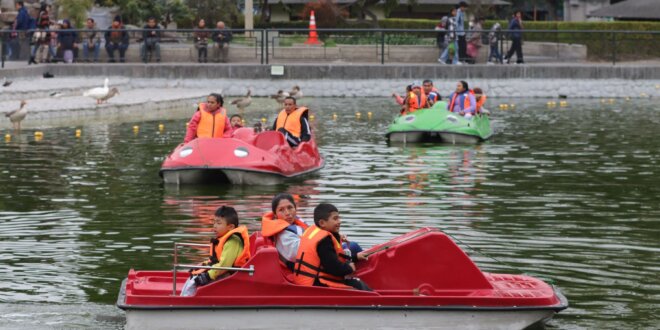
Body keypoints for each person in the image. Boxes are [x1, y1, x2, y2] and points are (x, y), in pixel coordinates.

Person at [292, 203, 371, 291]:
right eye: (335, 219)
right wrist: (350, 268)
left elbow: (333, 258)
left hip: (306, 281)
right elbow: (334, 268)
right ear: (322, 223)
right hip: (315, 284)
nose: (339, 221)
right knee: (358, 284)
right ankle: (375, 303)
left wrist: (354, 257)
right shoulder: (324, 241)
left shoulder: (315, 232)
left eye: (339, 218)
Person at [180, 206, 251, 296]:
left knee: (194, 282)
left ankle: (185, 302)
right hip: (223, 272)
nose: (214, 226)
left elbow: (224, 266)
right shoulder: (225, 239)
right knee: (194, 277)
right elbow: (216, 260)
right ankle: (183, 298)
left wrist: (207, 276)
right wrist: (202, 265)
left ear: (231, 227)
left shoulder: (232, 242)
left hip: (230, 276)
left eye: (218, 223)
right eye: (214, 222)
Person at [261, 193, 309, 270]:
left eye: (290, 208)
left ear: (295, 209)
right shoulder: (283, 234)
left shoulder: (296, 225)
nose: (287, 213)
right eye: (281, 210)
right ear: (275, 215)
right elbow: (301, 254)